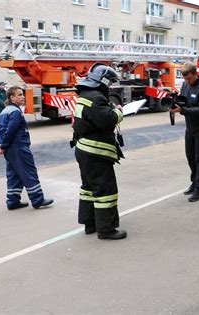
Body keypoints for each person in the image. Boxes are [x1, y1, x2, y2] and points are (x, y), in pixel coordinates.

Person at [72, 63, 127, 240]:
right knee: (105, 191)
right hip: (96, 153)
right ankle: (106, 229)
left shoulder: (84, 95)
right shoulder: (96, 98)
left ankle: (90, 224)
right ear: (103, 81)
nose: (110, 87)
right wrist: (119, 112)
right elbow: (107, 119)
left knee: (88, 189)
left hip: (83, 150)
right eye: (109, 83)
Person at [0, 86, 53, 210]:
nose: (23, 97)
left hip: (10, 149)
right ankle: (38, 200)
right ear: (12, 97)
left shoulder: (5, 111)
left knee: (14, 175)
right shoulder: (15, 112)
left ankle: (12, 201)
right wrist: (3, 145)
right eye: (20, 94)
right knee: (29, 172)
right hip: (18, 147)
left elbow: (0, 131)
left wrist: (1, 145)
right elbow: (11, 130)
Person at [169, 62, 199, 202]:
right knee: (190, 157)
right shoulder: (186, 85)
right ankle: (194, 183)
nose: (187, 81)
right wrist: (175, 100)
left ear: (195, 74)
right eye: (185, 79)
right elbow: (184, 100)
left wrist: (183, 110)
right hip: (190, 127)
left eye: (189, 78)